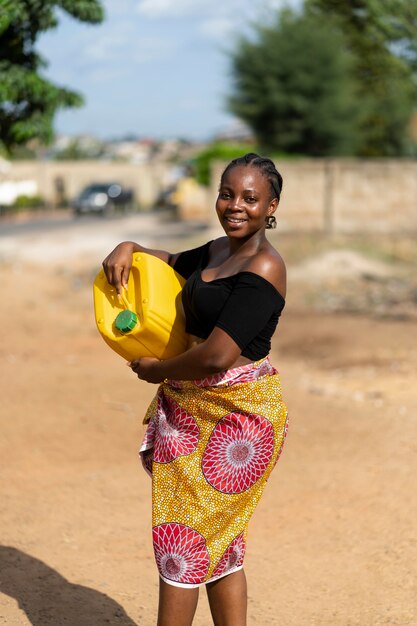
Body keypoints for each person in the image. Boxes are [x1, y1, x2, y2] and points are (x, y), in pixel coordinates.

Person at [102, 153, 289, 626]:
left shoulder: (265, 266)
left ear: (272, 206)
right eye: (227, 194)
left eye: (250, 197)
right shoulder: (215, 251)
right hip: (193, 410)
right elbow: (164, 264)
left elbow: (217, 356)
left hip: (238, 423)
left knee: (181, 548)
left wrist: (158, 370)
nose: (236, 205)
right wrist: (130, 245)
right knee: (219, 545)